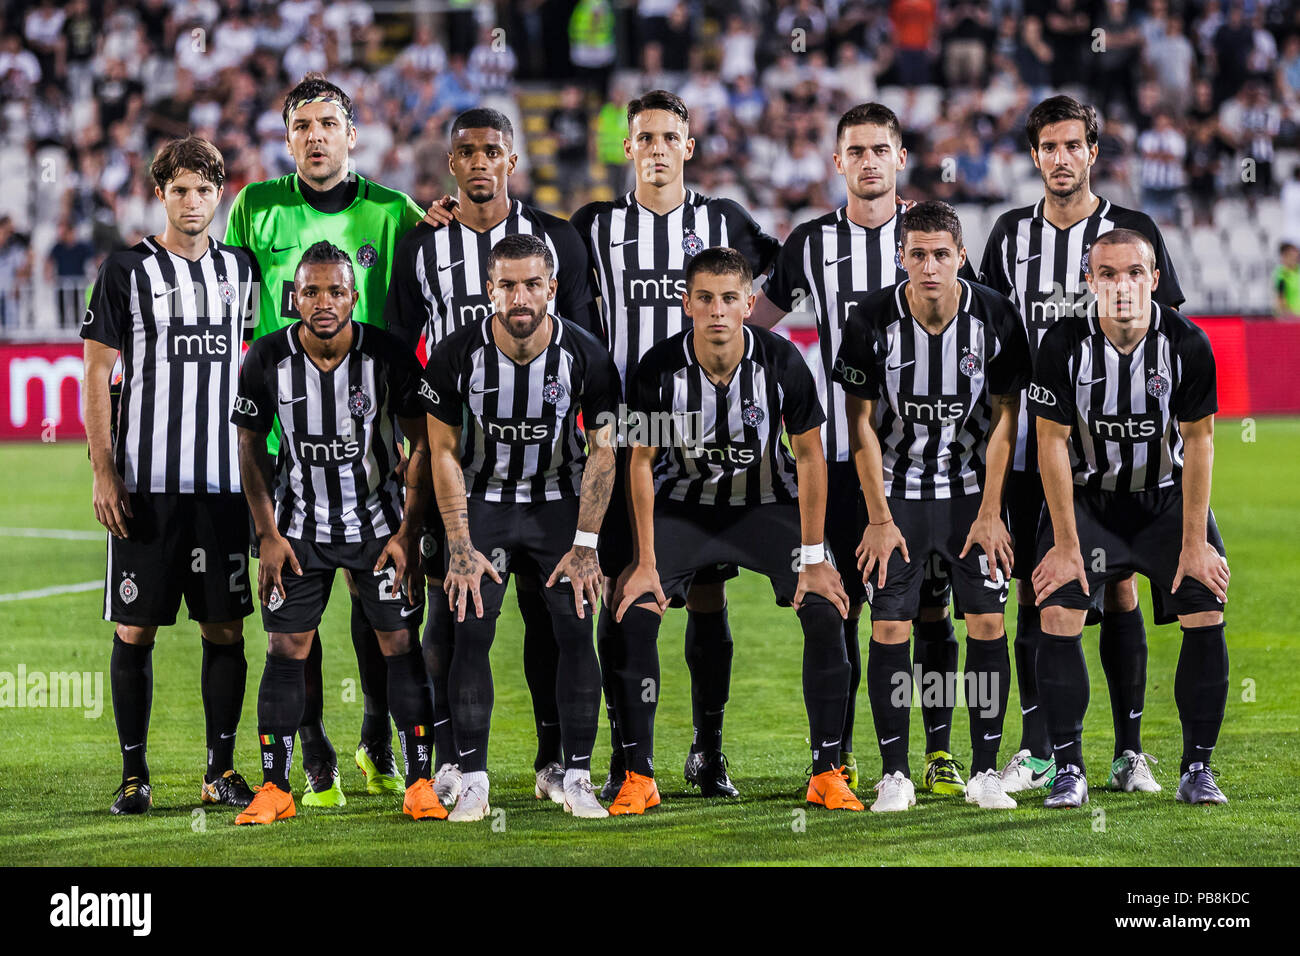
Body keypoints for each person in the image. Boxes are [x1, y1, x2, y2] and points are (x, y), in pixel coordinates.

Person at [750, 102, 971, 795]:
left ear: (901, 159)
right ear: (837, 162)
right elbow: (756, 328)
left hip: (925, 465)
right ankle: (839, 755)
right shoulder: (810, 243)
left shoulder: (933, 237)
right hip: (841, 462)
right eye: (857, 150)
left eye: (882, 148)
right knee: (838, 601)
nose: (869, 160)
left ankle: (935, 753)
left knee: (927, 608)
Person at [569, 89, 781, 800]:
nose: (657, 148)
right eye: (645, 137)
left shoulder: (722, 219)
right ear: (626, 147)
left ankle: (708, 751)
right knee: (627, 594)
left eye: (669, 137)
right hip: (629, 433)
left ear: (689, 147)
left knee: (711, 594)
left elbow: (789, 270)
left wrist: (749, 355)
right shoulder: (595, 225)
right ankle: (630, 760)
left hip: (704, 443)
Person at [387, 106, 599, 808]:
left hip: (547, 464)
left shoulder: (559, 239)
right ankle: (453, 759)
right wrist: (406, 437)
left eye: (492, 151)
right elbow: (396, 343)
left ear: (512, 161)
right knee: (448, 612)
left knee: (553, 618)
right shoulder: (424, 242)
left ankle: (553, 762)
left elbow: (582, 345)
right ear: (451, 163)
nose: (480, 162)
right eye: (467, 151)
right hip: (452, 457)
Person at [224, 73, 428, 805]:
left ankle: (378, 735)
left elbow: (420, 311)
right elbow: (235, 316)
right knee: (294, 608)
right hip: (284, 446)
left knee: (380, 602)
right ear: (287, 139)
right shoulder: (254, 207)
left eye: (328, 123)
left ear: (352, 133)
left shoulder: (396, 213)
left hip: (374, 446)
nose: (315, 135)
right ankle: (314, 752)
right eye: (302, 124)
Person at [978, 95, 1186, 796]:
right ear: (1033, 156)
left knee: (1120, 586)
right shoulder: (1009, 236)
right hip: (1034, 452)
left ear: (1094, 152)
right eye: (1049, 147)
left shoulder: (1132, 231)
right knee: (1038, 592)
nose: (1061, 158)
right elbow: (994, 341)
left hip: (1113, 459)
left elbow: (1170, 341)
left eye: (1074, 145)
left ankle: (1129, 754)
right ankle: (1040, 752)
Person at [610, 247, 855, 815]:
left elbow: (811, 457)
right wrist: (646, 561)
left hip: (765, 507)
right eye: (704, 299)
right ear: (686, 303)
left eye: (728, 299)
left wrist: (816, 556)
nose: (716, 310)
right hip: (684, 509)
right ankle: (638, 773)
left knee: (824, 607)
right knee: (634, 609)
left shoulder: (783, 361)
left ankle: (827, 770)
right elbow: (640, 460)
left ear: (749, 303)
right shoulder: (657, 367)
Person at [231, 240, 441, 825]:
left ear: (353, 296)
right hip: (297, 530)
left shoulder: (391, 355)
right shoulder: (267, 358)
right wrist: (267, 533)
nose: (324, 302)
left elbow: (421, 444)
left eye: (336, 291)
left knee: (399, 644)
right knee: (285, 647)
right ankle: (277, 788)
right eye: (311, 291)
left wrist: (408, 533)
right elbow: (249, 446)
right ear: (293, 297)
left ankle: (420, 781)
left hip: (377, 527)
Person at [834, 201, 1031, 812]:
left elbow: (1006, 420)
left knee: (989, 623)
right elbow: (859, 424)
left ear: (961, 257)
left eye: (941, 254)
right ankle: (896, 774)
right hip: (897, 493)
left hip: (973, 494)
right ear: (901, 258)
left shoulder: (996, 315)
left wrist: (993, 511)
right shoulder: (870, 318)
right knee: (890, 624)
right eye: (916, 254)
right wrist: (878, 517)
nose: (929, 266)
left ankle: (985, 771)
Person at [81, 136, 257, 815]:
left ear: (220, 196)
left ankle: (219, 770)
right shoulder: (126, 269)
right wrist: (103, 470)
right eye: (179, 189)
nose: (192, 201)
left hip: (221, 486)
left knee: (226, 629)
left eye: (204, 190)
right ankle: (134, 775)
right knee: (135, 630)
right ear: (161, 193)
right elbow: (98, 373)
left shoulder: (240, 272)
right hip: (145, 485)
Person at [420, 234, 620, 821]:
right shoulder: (457, 354)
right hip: (482, 503)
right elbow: (443, 452)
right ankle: (474, 775)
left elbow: (604, 451)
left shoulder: (587, 355)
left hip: (558, 505)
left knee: (576, 628)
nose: (520, 296)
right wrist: (459, 544)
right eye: (507, 284)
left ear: (552, 288)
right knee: (470, 626)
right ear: (490, 290)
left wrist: (586, 546)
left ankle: (576, 774)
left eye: (533, 283)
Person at [1028, 228, 1230, 809]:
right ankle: (1068, 769)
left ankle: (1197, 769)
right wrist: (1066, 545)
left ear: (1154, 279)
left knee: (1205, 605)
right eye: (1108, 274)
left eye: (1134, 273)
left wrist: (1194, 542)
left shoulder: (1187, 344)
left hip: (1163, 501)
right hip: (1089, 503)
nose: (1122, 286)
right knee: (1060, 609)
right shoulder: (1064, 343)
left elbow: (1201, 443)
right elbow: (1050, 446)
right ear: (1090, 282)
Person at [1273, 242, 1300, 319]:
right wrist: (1290, 316)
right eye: (1290, 255)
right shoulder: (1282, 275)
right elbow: (1280, 299)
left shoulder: (1298, 271)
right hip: (1291, 319)